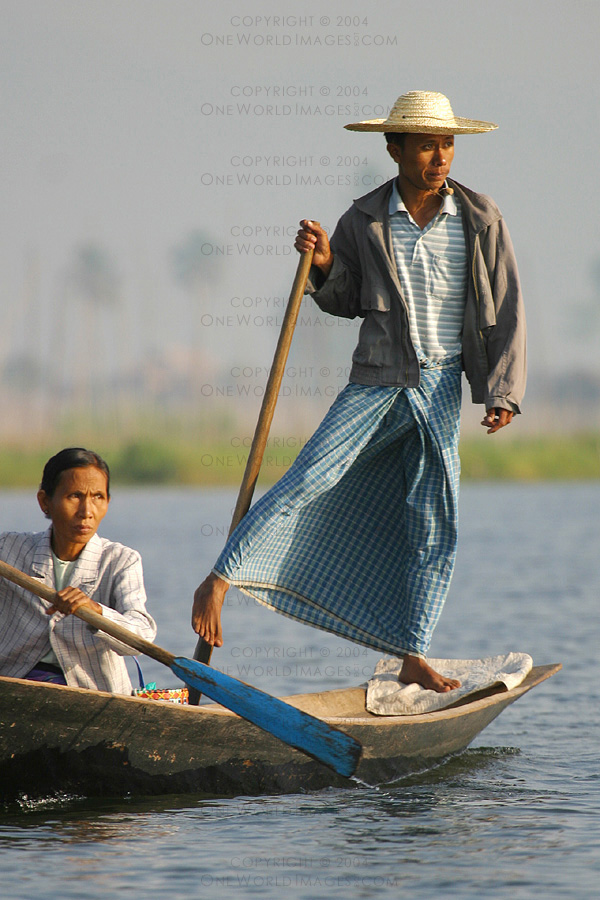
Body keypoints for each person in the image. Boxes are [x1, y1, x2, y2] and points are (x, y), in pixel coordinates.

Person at [192, 91, 526, 693]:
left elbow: (505, 309)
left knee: (433, 520)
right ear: (393, 149)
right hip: (377, 379)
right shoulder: (364, 221)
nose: (439, 156)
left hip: (442, 384)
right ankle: (221, 578)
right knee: (309, 478)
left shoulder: (481, 219)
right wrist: (322, 264)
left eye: (446, 144)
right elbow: (344, 301)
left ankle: (412, 650)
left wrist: (500, 390)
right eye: (425, 144)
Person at [0, 447, 157, 693]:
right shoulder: (8, 550)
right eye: (74, 496)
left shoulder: (120, 561)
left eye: (97, 497)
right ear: (45, 502)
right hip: (13, 687)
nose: (87, 512)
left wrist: (96, 611)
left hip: (93, 694)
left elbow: (142, 636)